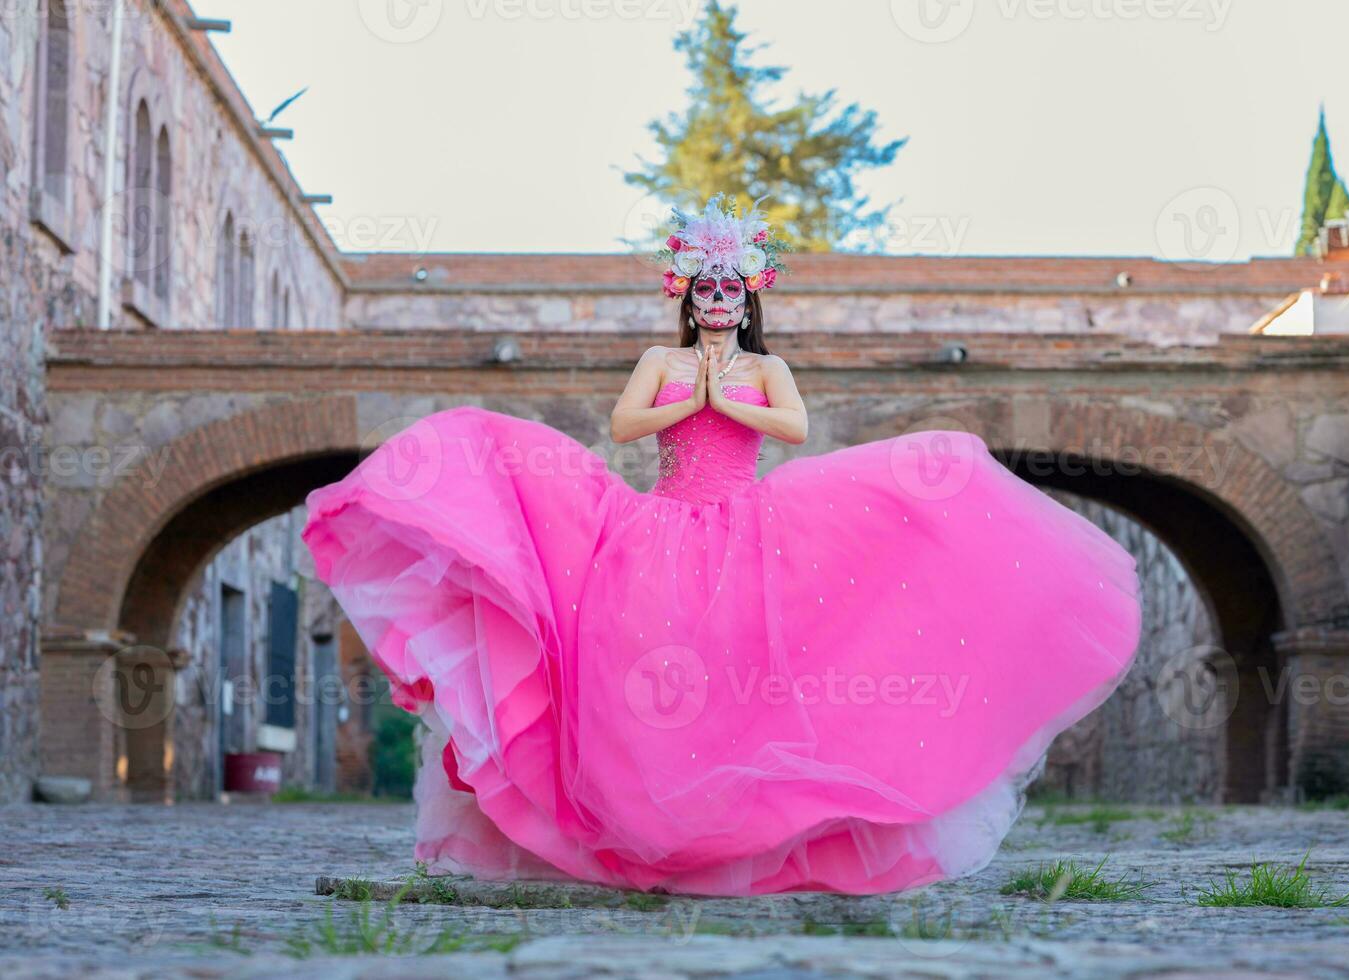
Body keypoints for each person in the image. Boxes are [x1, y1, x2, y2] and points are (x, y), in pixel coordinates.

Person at [302, 195, 1142, 896]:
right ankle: (643, 820)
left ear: (747, 301)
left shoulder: (763, 368)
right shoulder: (660, 360)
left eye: (730, 293)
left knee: (759, 662)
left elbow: (795, 426)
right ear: (688, 295)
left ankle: (745, 830)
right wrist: (687, 392)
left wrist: (727, 396)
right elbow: (623, 424)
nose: (717, 303)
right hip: (661, 527)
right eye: (705, 290)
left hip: (747, 524)